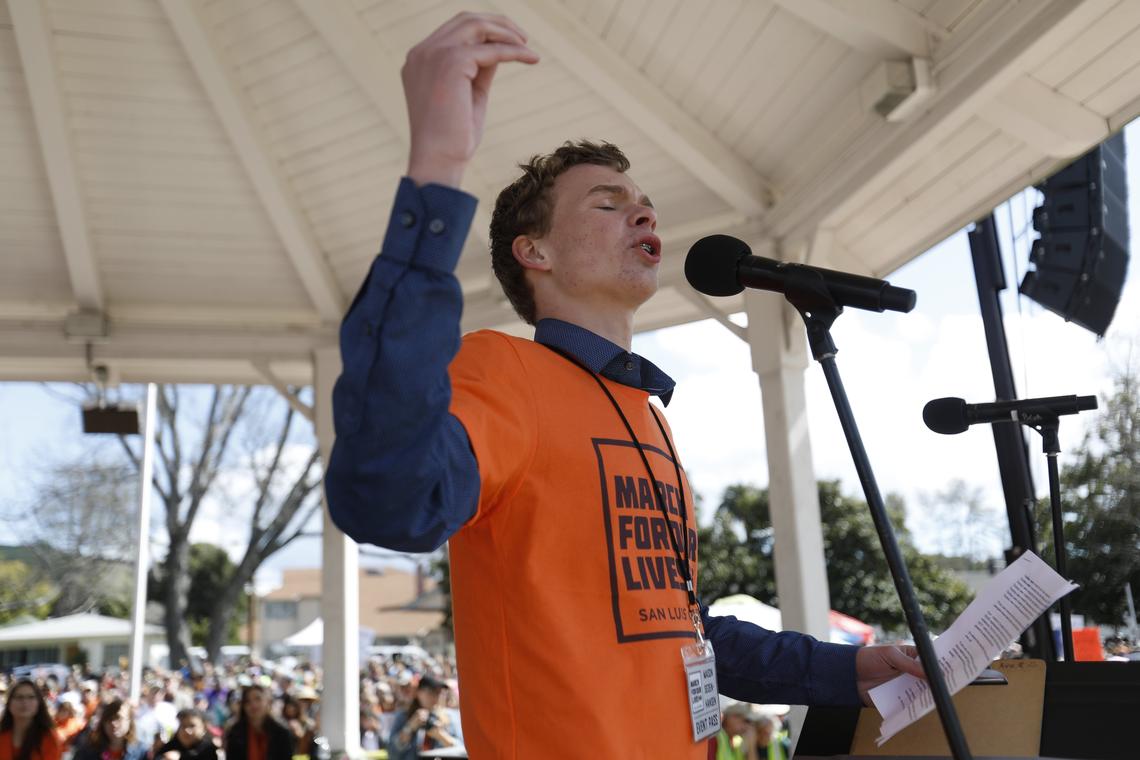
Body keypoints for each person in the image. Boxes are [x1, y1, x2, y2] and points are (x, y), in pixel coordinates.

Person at [325, 11, 924, 757]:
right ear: (532, 250)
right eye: (606, 203)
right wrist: (437, 172)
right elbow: (387, 500)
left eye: (640, 202)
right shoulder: (502, 370)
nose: (641, 209)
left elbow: (683, 630)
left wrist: (849, 666)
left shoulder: (650, 420)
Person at [385, 677, 458, 760]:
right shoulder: (404, 717)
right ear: (418, 693)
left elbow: (463, 751)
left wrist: (441, 736)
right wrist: (409, 728)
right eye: (431, 692)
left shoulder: (451, 717)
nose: (436, 697)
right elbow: (392, 755)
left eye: (439, 693)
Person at [222, 685, 293, 760]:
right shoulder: (235, 732)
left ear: (268, 702)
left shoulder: (282, 732)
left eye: (258, 699)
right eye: (247, 701)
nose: (253, 705)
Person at [0, 680, 62, 760]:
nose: (25, 702)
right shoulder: (2, 734)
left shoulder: (49, 737)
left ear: (39, 703)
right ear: (9, 703)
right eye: (19, 697)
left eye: (31, 697)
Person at [72, 699, 148, 760]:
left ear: (129, 721)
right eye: (110, 719)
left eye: (119, 718)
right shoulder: (88, 751)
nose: (113, 723)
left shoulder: (140, 752)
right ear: (103, 723)